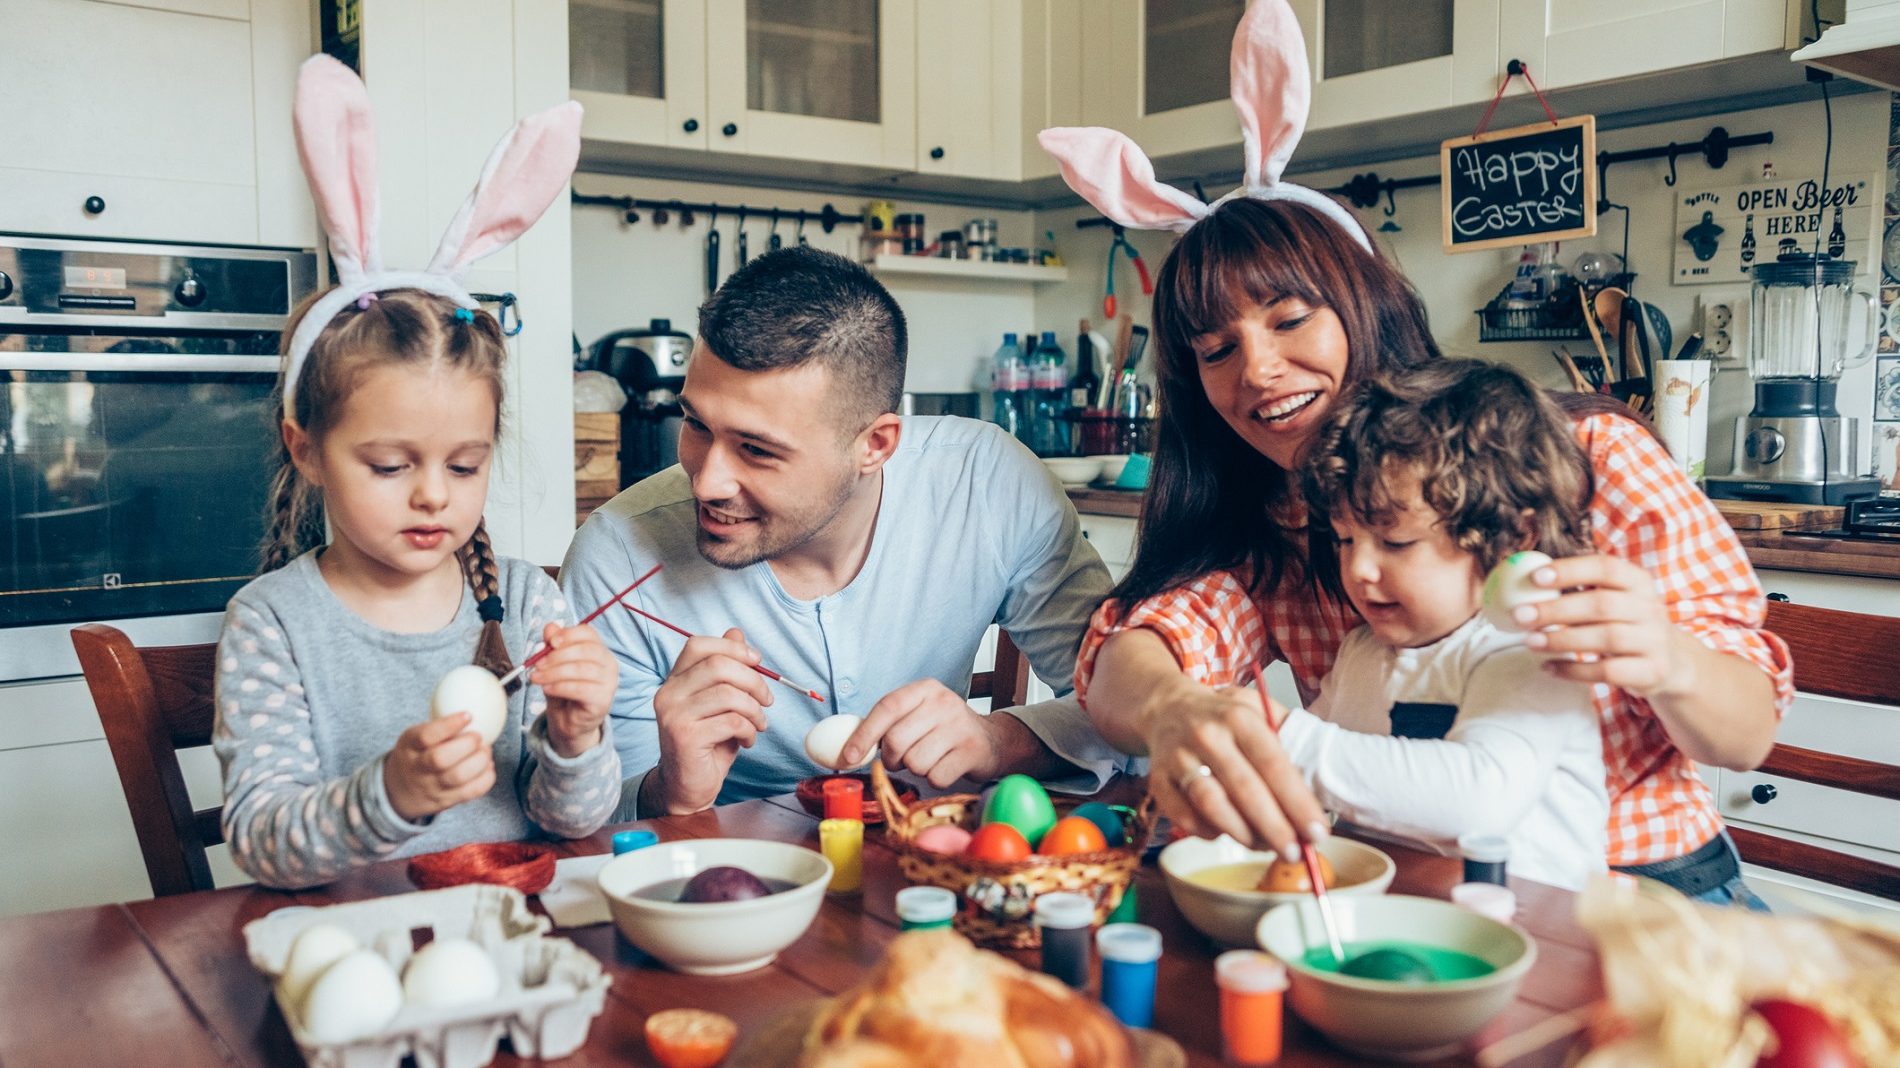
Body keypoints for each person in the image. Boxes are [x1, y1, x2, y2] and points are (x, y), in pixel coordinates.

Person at [1042, 0, 1790, 907]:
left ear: (1367, 303)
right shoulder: (1277, 512)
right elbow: (1136, 653)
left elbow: (1743, 737)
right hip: (1424, 894)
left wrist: (1667, 658)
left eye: (1289, 319)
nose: (1259, 370)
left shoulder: (1582, 454)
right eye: (1216, 350)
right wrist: (1173, 711)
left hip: (1647, 896)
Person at [214, 57, 619, 890]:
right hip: (353, 946)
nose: (434, 492)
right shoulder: (273, 624)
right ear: (306, 450)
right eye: (392, 465)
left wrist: (578, 738)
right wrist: (388, 795)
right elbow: (259, 841)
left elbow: (571, 824)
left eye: (465, 465)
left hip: (520, 937)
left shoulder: (526, 600)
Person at [562, 246, 1125, 820]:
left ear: (874, 446)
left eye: (757, 450)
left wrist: (995, 741)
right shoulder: (619, 557)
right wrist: (669, 789)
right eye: (697, 425)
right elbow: (590, 826)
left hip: (931, 863)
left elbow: (1128, 712)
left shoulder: (987, 484)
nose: (706, 483)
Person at [1270, 359, 1606, 890]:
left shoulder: (1532, 653)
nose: (1359, 569)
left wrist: (1283, 736)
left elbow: (1479, 799)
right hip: (1398, 918)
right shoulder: (1363, 652)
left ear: (1513, 537)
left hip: (1535, 937)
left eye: (1396, 541)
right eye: (1345, 539)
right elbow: (1295, 778)